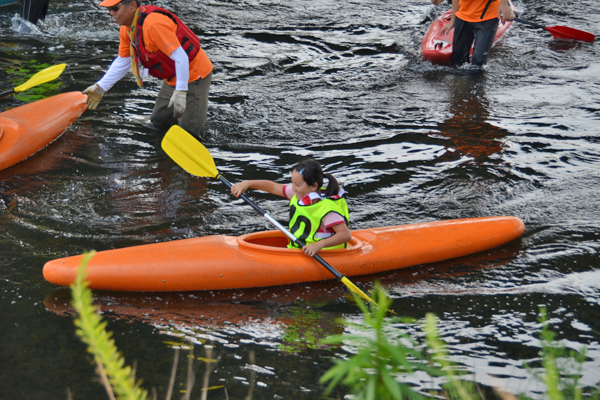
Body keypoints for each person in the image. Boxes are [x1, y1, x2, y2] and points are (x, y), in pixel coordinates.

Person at [83, 0, 213, 138]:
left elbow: (181, 58)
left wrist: (181, 91)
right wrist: (100, 87)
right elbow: (124, 61)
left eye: (115, 8)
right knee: (159, 121)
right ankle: (162, 155)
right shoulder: (127, 29)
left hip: (194, 74)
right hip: (173, 76)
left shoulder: (154, 24)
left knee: (189, 132)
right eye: (109, 9)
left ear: (132, 5)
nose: (111, 13)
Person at [230, 160, 352, 257]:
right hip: (300, 250)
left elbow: (345, 235)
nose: (293, 188)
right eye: (292, 183)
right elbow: (273, 187)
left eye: (297, 185)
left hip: (324, 254)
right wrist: (248, 183)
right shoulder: (299, 194)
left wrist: (318, 245)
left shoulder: (327, 209)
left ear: (314, 186)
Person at [440, 0, 515, 67]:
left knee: (478, 63)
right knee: (458, 61)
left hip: (488, 16)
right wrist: (453, 21)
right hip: (463, 15)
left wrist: (504, 4)